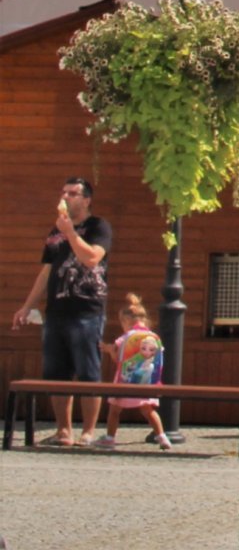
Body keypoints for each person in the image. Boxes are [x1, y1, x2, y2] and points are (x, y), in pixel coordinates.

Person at [11, 176, 112, 446]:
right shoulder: (54, 231)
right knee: (56, 373)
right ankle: (63, 431)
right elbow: (46, 272)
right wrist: (27, 305)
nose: (66, 197)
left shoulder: (98, 226)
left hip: (87, 310)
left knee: (88, 373)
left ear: (87, 199)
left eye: (73, 193)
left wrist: (70, 232)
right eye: (64, 192)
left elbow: (92, 258)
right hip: (56, 311)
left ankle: (88, 431)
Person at [97, 292, 169, 450]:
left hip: (125, 381)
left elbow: (118, 359)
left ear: (126, 321)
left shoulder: (126, 337)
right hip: (146, 383)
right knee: (148, 411)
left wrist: (109, 351)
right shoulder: (153, 336)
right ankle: (162, 437)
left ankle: (110, 438)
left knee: (114, 410)